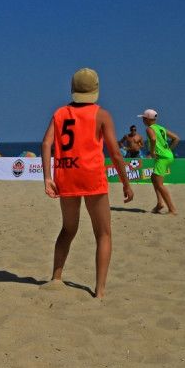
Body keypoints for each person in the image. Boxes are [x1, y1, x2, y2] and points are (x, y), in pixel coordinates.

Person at [42, 68, 133, 299]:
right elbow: (115, 153)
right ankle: (99, 291)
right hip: (91, 176)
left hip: (66, 174)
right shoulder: (101, 115)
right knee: (103, 234)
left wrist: (47, 177)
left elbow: (46, 144)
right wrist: (125, 182)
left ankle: (56, 278)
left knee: (68, 229)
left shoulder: (60, 113)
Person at [140, 109, 179, 215]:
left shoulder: (149, 129)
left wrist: (152, 152)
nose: (143, 120)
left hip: (162, 158)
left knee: (160, 184)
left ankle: (172, 209)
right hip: (168, 156)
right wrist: (168, 150)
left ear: (147, 119)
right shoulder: (161, 128)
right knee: (154, 178)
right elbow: (176, 138)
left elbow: (153, 139)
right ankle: (159, 203)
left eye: (143, 118)